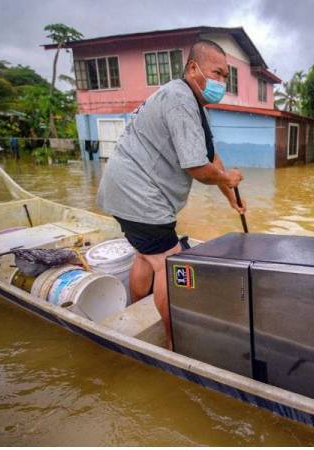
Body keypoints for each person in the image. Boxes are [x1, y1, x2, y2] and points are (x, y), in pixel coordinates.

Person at [97, 40, 245, 351]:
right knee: (170, 263)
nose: (221, 82)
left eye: (226, 77)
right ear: (194, 68)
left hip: (125, 191)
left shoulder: (191, 102)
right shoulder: (181, 101)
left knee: (144, 254)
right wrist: (226, 177)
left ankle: (134, 307)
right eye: (216, 73)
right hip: (139, 195)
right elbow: (198, 168)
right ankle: (173, 341)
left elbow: (210, 155)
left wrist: (229, 193)